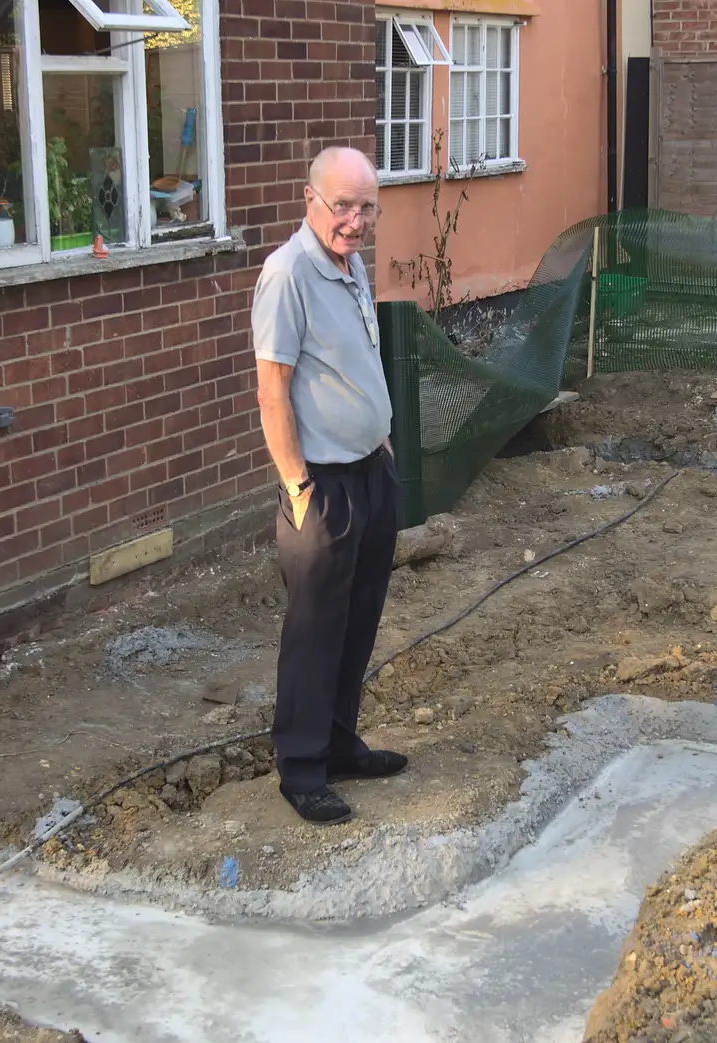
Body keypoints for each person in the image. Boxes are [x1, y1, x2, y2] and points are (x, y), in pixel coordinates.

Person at [251, 146, 407, 825]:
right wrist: (295, 486)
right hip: (322, 488)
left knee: (360, 619)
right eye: (342, 205)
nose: (355, 219)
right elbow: (272, 390)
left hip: (370, 472)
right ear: (310, 199)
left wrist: (381, 438)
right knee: (315, 630)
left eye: (366, 206)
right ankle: (303, 767)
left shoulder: (351, 266)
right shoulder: (287, 274)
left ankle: (341, 744)